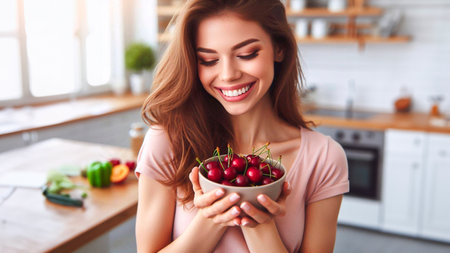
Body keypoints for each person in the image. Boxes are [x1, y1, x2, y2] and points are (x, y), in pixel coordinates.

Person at [135, 0, 349, 252]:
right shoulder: (166, 141)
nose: (228, 75)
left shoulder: (323, 158)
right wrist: (212, 217)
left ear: (279, 48)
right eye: (208, 60)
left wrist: (259, 223)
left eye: (247, 54)